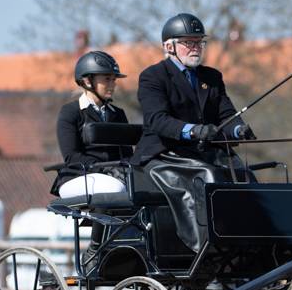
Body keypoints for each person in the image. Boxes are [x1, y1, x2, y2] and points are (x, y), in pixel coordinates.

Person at [133, 12, 255, 166]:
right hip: (165, 154)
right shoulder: (153, 76)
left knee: (245, 176)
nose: (196, 48)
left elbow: (226, 115)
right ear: (169, 47)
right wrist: (193, 130)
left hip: (207, 153)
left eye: (199, 42)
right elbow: (157, 120)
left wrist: (238, 129)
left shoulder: (212, 77)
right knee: (207, 177)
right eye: (189, 43)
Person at [51, 50, 131, 198]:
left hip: (116, 175)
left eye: (114, 80)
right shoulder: (71, 112)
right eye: (107, 79)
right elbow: (72, 157)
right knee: (116, 188)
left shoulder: (118, 114)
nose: (113, 85)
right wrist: (106, 169)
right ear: (88, 81)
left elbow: (126, 154)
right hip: (79, 175)